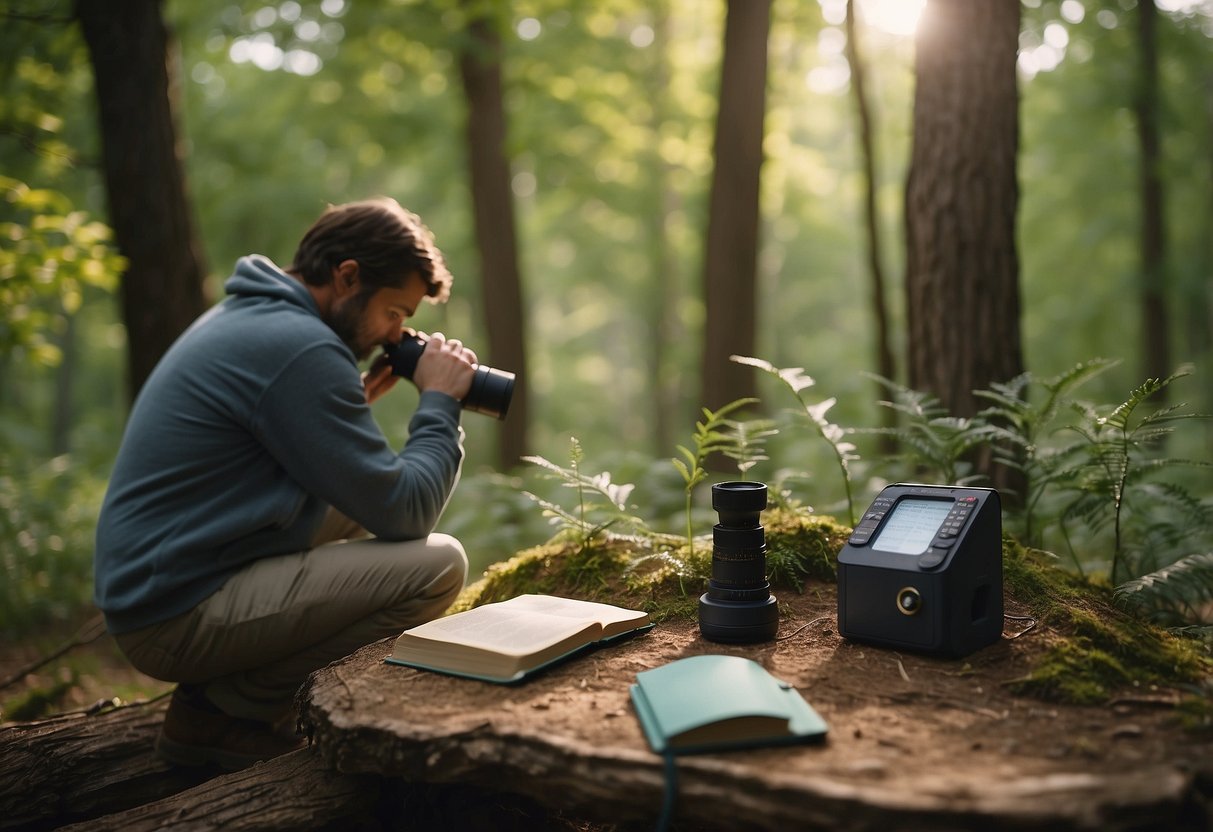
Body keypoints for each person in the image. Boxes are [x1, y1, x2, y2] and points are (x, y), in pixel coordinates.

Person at [94, 198, 474, 771]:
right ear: (348, 277)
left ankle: (228, 698)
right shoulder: (298, 347)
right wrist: (441, 403)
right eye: (395, 311)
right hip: (171, 612)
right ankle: (221, 714)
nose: (397, 334)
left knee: (361, 514)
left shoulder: (258, 316)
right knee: (438, 564)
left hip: (165, 576)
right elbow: (408, 512)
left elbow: (287, 468)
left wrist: (338, 415)